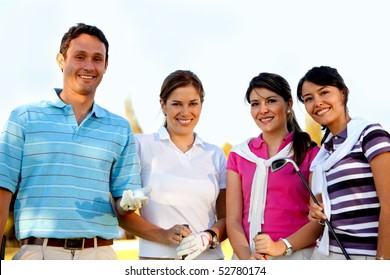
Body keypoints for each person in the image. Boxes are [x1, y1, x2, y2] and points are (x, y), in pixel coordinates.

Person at [0, 23, 143, 260]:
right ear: (60, 60)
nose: (89, 66)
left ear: (106, 65)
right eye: (80, 57)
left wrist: (128, 202)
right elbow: (2, 190)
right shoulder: (24, 118)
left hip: (100, 257)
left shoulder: (119, 128)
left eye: (97, 59)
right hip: (38, 255)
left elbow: (123, 204)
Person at [118, 70, 227, 260]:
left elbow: (227, 220)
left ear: (201, 104)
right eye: (176, 104)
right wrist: (163, 235)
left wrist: (207, 237)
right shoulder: (140, 146)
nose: (185, 112)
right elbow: (121, 214)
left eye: (193, 103)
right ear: (163, 105)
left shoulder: (215, 154)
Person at [226, 72, 323, 260]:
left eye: (270, 101)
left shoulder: (312, 154)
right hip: (248, 259)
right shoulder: (239, 155)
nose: (262, 110)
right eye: (255, 104)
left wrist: (280, 247)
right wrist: (247, 258)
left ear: (289, 105)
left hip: (296, 257)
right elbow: (233, 220)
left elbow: (319, 220)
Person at [297, 66, 390, 260]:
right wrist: (316, 212)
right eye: (308, 99)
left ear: (342, 92)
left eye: (324, 92)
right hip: (326, 256)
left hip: (365, 256)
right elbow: (323, 211)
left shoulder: (370, 136)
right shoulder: (321, 157)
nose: (317, 103)